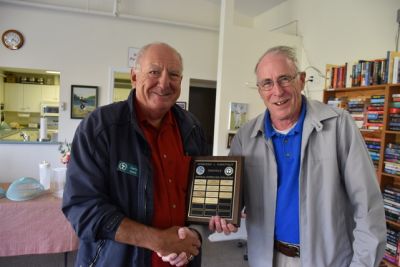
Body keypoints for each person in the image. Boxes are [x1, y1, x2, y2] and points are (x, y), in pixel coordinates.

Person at [209, 46, 387, 267]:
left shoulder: (339, 125)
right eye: (267, 83)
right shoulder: (246, 136)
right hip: (267, 259)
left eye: (284, 79)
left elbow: (368, 206)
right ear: (260, 90)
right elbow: (234, 198)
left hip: (328, 261)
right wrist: (224, 215)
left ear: (301, 80)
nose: (277, 91)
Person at [62, 42, 209, 267]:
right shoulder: (100, 128)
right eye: (154, 72)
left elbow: (202, 196)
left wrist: (196, 234)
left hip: (182, 261)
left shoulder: (192, 128)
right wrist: (157, 240)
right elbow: (82, 208)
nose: (164, 82)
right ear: (134, 77)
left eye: (174, 74)